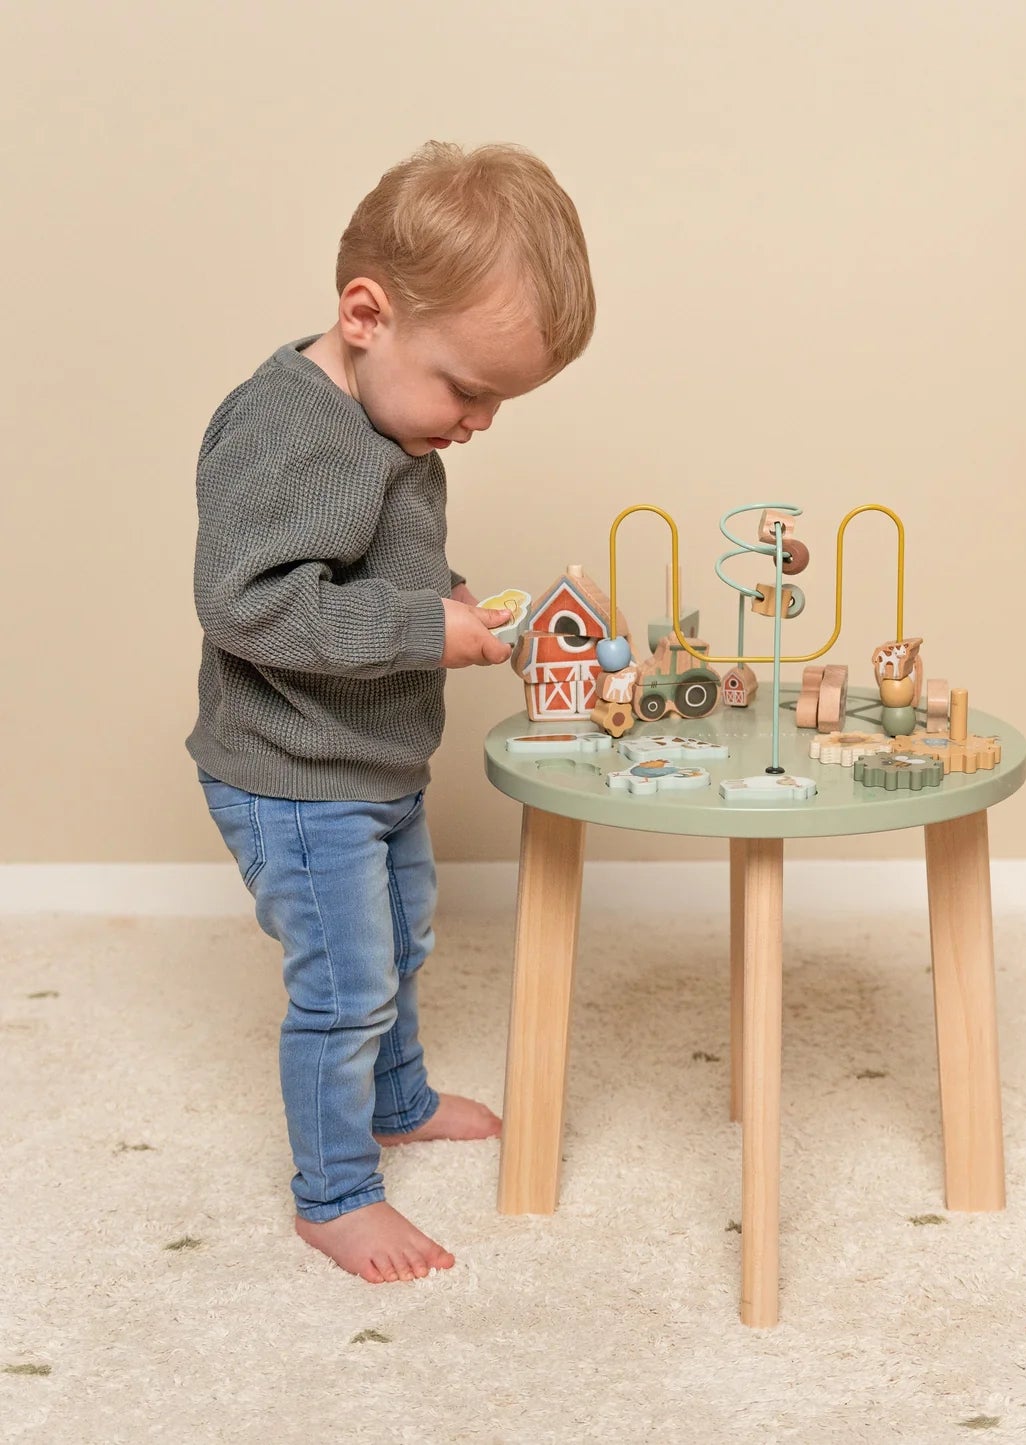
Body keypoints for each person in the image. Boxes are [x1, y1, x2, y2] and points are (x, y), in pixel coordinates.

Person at [186, 141, 594, 1283]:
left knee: (403, 940)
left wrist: (447, 603)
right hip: (292, 773)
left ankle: (398, 1098)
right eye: (467, 389)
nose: (477, 421)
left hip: (371, 761)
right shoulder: (288, 428)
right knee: (343, 981)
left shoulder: (390, 417)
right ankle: (333, 1191)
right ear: (365, 314)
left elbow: (365, 562)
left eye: (498, 400)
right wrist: (422, 631)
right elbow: (248, 604)